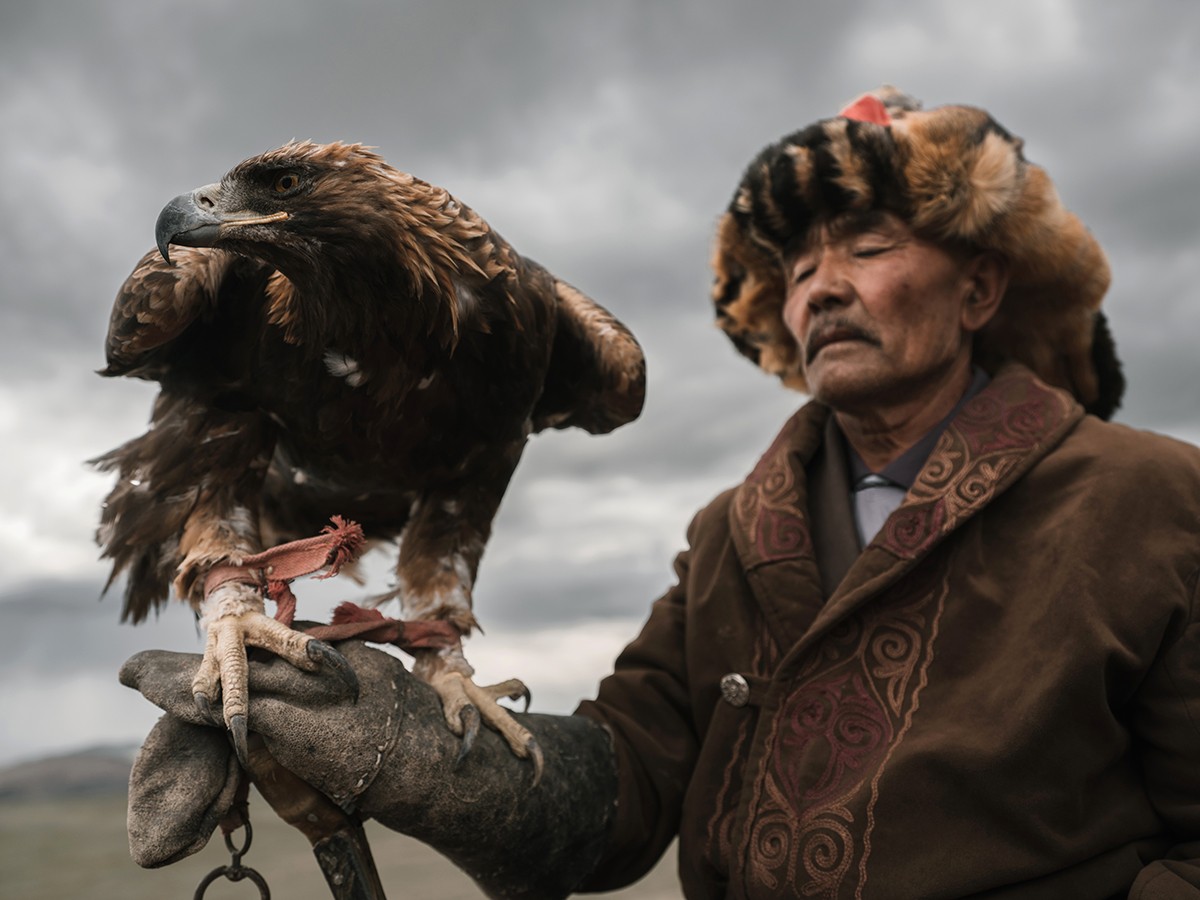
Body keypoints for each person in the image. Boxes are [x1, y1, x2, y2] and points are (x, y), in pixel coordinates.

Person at [122, 89, 1200, 899]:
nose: (819, 283)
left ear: (979, 286)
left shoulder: (1154, 501)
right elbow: (632, 777)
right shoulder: (738, 531)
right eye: (796, 263)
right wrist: (429, 766)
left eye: (867, 245)